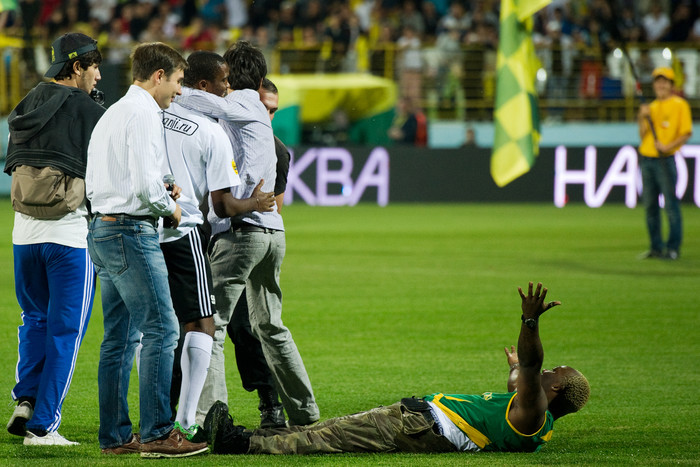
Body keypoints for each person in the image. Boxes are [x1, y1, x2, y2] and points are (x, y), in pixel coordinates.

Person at [204, 282, 590, 455]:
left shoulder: (535, 413)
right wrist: (516, 368)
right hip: (419, 418)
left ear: (555, 390)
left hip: (421, 425)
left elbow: (533, 365)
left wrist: (529, 323)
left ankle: (241, 443)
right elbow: (518, 383)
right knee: (325, 428)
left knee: (329, 438)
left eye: (557, 371)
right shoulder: (530, 414)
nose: (548, 371)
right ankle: (251, 435)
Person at [175, 40, 320, 428]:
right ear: (259, 78)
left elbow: (201, 102)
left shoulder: (239, 101)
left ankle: (210, 418)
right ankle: (306, 413)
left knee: (212, 326)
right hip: (273, 234)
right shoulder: (251, 108)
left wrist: (167, 88)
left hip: (243, 232)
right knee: (270, 326)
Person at [85, 42, 207, 458]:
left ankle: (116, 437)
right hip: (131, 233)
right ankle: (157, 433)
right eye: (176, 81)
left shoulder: (115, 112)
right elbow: (140, 188)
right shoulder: (143, 115)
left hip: (102, 229)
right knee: (163, 329)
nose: (178, 91)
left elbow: (115, 177)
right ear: (159, 76)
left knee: (119, 339)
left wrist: (161, 184)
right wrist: (170, 206)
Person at [159, 50, 275, 439]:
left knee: (165, 328)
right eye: (221, 83)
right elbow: (222, 203)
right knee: (211, 325)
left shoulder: (150, 115)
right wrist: (255, 204)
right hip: (200, 231)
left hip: (166, 229)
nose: (227, 90)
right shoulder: (211, 127)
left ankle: (163, 415)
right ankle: (204, 417)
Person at [3, 32, 104, 447]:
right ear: (77, 66)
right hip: (69, 236)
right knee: (66, 331)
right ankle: (43, 426)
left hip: (23, 234)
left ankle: (25, 400)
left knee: (35, 320)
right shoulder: (88, 109)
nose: (98, 75)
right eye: (94, 66)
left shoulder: (26, 103)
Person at [226, 78, 290, 429]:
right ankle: (181, 414)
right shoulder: (220, 134)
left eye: (273, 111)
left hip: (243, 243)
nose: (267, 116)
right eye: (263, 107)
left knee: (244, 327)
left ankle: (270, 403)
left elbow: (272, 214)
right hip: (200, 240)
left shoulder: (278, 151)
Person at [637, 66, 692, 261]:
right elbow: (642, 135)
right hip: (647, 159)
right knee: (650, 206)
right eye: (658, 81)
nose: (661, 84)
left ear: (671, 85)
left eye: (665, 81)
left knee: (671, 205)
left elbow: (686, 133)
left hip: (665, 160)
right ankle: (656, 247)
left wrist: (668, 146)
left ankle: (673, 248)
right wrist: (642, 117)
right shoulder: (649, 107)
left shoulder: (679, 105)